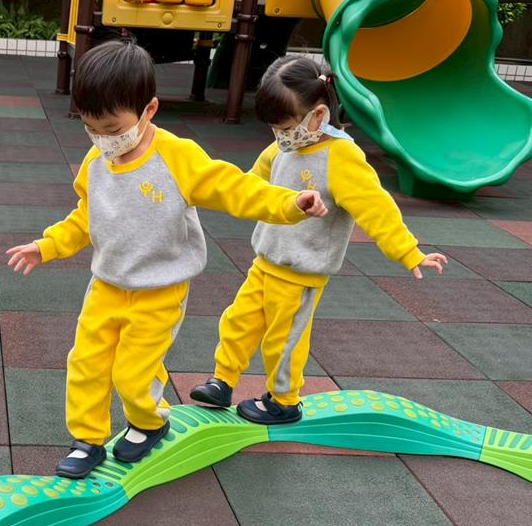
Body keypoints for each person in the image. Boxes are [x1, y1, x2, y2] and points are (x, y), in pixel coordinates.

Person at [6, 40, 328, 479]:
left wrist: (291, 203)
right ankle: (88, 439)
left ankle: (148, 422)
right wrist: (47, 245)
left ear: (149, 110)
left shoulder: (177, 157)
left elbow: (234, 189)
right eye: (91, 128)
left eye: (112, 127)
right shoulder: (97, 160)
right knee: (85, 363)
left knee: (133, 372)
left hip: (160, 290)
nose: (103, 139)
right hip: (106, 285)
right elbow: (85, 217)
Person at [191, 55, 447, 424]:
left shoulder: (340, 156)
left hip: (301, 274)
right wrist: (211, 192)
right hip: (265, 262)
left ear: (318, 115)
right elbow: (250, 185)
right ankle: (222, 381)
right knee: (237, 322)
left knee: (283, 341)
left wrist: (408, 252)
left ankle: (284, 401)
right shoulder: (283, 147)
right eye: (274, 128)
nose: (280, 135)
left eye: (285, 126)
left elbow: (375, 207)